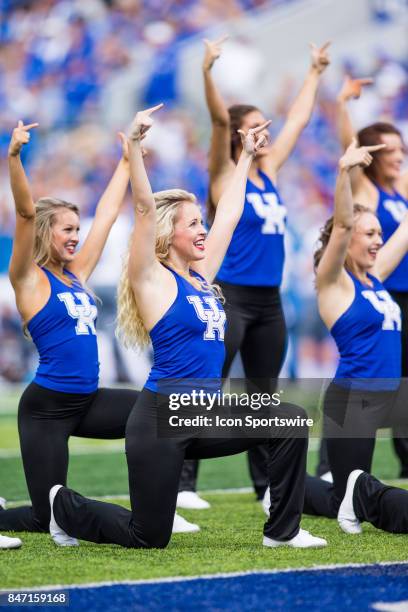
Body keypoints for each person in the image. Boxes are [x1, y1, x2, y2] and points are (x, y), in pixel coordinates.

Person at [48, 104, 326, 550]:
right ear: (167, 233)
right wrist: (136, 147)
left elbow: (231, 214)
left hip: (205, 414)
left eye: (202, 222)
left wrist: (248, 158)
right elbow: (142, 208)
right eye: (194, 223)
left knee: (289, 422)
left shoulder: (202, 276)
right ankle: (65, 507)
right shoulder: (153, 278)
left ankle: (283, 531)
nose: (203, 230)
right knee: (148, 536)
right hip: (162, 418)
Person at [0, 119, 196, 539]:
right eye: (67, 230)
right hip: (47, 410)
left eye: (76, 228)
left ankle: (158, 507)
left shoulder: (77, 273)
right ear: (44, 232)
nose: (76, 237)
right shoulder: (28, 278)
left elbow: (106, 216)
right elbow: (23, 211)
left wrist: (128, 159)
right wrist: (14, 157)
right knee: (43, 516)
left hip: (88, 401)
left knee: (160, 416)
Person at [176, 37, 330, 502]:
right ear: (239, 136)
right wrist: (207, 72)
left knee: (263, 397)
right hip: (228, 296)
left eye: (266, 125)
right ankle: (182, 482)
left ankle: (265, 486)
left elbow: (300, 120)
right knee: (205, 388)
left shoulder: (272, 172)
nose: (266, 132)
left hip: (268, 300)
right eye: (256, 126)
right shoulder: (225, 175)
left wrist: (315, 72)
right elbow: (220, 119)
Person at [301, 138, 408, 534]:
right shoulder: (333, 284)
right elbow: (343, 223)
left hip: (393, 395)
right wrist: (345, 172)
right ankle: (286, 488)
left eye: (380, 233)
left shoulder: (376, 278)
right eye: (370, 234)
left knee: (352, 495)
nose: (378, 240)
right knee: (344, 498)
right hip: (355, 399)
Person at [316, 76, 408, 480]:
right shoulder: (368, 191)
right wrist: (343, 104)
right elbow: (349, 153)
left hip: (392, 296)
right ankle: (328, 467)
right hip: (381, 292)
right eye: (391, 150)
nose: (399, 156)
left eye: (403, 149)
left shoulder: (399, 189)